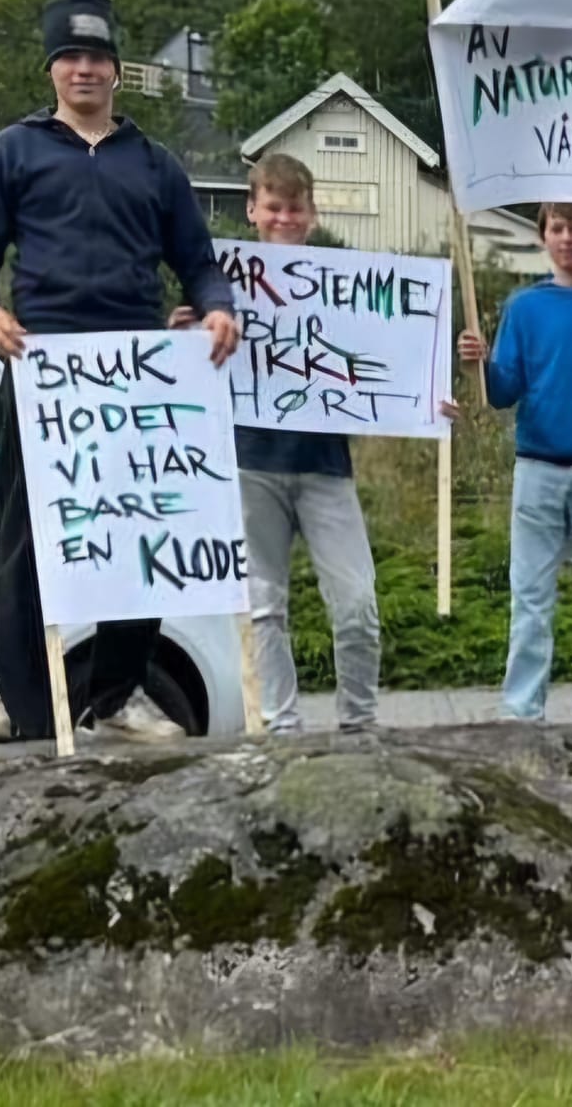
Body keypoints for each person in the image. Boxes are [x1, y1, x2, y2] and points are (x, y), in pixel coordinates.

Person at [0, 0, 240, 745]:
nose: (84, 69)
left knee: (140, 530)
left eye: (97, 56)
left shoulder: (156, 165)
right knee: (24, 533)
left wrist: (217, 308)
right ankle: (5, 692)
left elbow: (198, 263)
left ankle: (116, 693)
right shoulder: (11, 152)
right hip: (42, 367)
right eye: (70, 56)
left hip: (137, 374)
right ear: (52, 68)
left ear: (116, 68)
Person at [172, 153, 386, 735]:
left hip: (325, 465)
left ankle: (360, 727)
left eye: (295, 207)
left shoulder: (344, 286)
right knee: (264, 608)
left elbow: (392, 361)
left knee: (358, 605)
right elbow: (190, 370)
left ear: (312, 214)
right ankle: (280, 729)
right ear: (252, 210)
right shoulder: (218, 285)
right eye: (274, 206)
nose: (284, 218)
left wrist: (424, 399)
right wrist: (180, 340)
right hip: (250, 463)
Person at [458, 201, 572, 727]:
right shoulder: (524, 308)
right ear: (544, 236)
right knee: (531, 600)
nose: (569, 238)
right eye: (559, 228)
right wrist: (478, 363)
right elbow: (502, 392)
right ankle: (522, 712)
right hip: (537, 470)